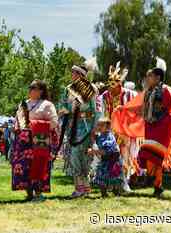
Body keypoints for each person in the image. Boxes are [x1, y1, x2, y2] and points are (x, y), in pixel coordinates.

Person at [112, 57, 171, 198]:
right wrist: (123, 109)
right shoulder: (148, 92)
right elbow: (139, 107)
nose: (147, 78)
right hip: (150, 127)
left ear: (157, 77)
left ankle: (151, 179)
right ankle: (157, 185)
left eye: (149, 76)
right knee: (152, 156)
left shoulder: (166, 90)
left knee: (152, 154)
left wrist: (168, 118)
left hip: (162, 128)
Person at [12, 80, 59, 202]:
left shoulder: (47, 104)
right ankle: (28, 192)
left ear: (41, 91)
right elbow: (18, 120)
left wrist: (35, 124)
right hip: (23, 141)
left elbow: (54, 122)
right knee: (23, 165)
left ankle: (38, 193)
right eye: (30, 87)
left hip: (39, 140)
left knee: (38, 164)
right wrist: (17, 127)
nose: (30, 90)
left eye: (34, 87)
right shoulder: (24, 104)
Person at [58, 64, 100, 198]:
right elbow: (62, 105)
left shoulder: (91, 88)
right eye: (72, 73)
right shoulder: (68, 89)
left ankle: (85, 187)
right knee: (74, 155)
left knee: (85, 157)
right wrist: (64, 111)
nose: (72, 75)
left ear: (82, 75)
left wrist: (94, 128)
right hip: (73, 127)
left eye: (75, 73)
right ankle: (80, 187)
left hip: (87, 127)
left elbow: (97, 110)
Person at [99, 62, 138, 192]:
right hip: (109, 133)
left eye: (114, 84)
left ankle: (124, 182)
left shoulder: (130, 95)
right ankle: (109, 181)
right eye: (109, 83)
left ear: (120, 83)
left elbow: (137, 110)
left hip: (125, 131)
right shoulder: (104, 96)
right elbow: (100, 113)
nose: (111, 87)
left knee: (125, 155)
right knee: (109, 157)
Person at [88, 118, 123, 198]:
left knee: (114, 177)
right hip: (106, 160)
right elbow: (96, 139)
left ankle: (116, 192)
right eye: (98, 125)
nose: (98, 127)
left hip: (113, 160)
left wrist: (93, 151)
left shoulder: (108, 137)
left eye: (101, 125)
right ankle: (104, 193)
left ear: (108, 127)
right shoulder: (102, 135)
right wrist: (93, 135)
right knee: (102, 176)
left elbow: (105, 151)